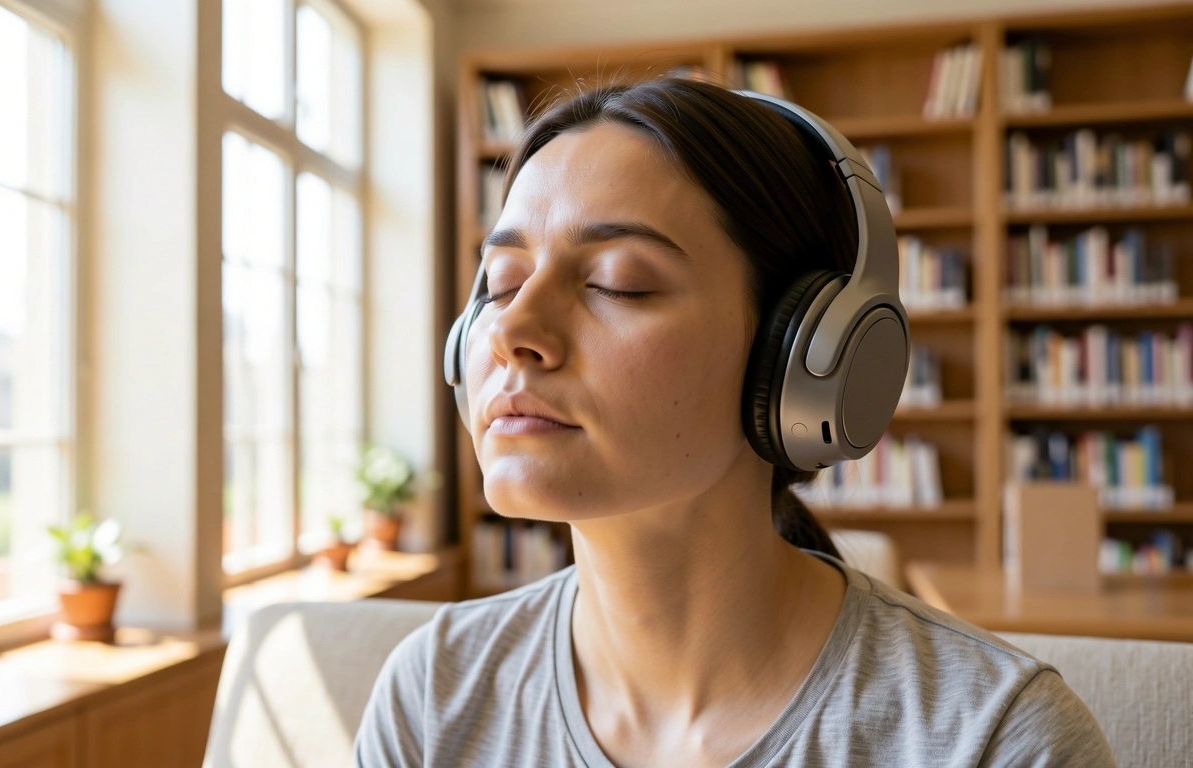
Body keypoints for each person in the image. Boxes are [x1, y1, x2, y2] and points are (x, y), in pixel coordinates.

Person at [354, 77, 1114, 767]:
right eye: (501, 281)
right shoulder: (432, 700)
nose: (511, 330)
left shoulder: (997, 741)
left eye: (615, 283)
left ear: (802, 354)